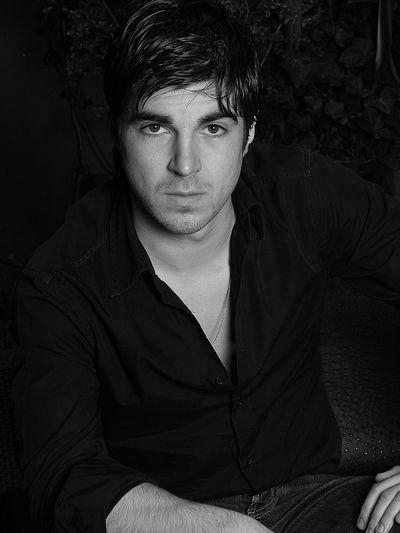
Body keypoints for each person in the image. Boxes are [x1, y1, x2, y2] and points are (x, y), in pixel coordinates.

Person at [11, 0, 400, 531]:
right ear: (117, 133)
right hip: (164, 518)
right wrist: (219, 527)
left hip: (319, 501)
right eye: (155, 128)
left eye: (213, 128)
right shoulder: (61, 280)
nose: (186, 164)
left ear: (250, 134)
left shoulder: (307, 195)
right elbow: (61, 472)